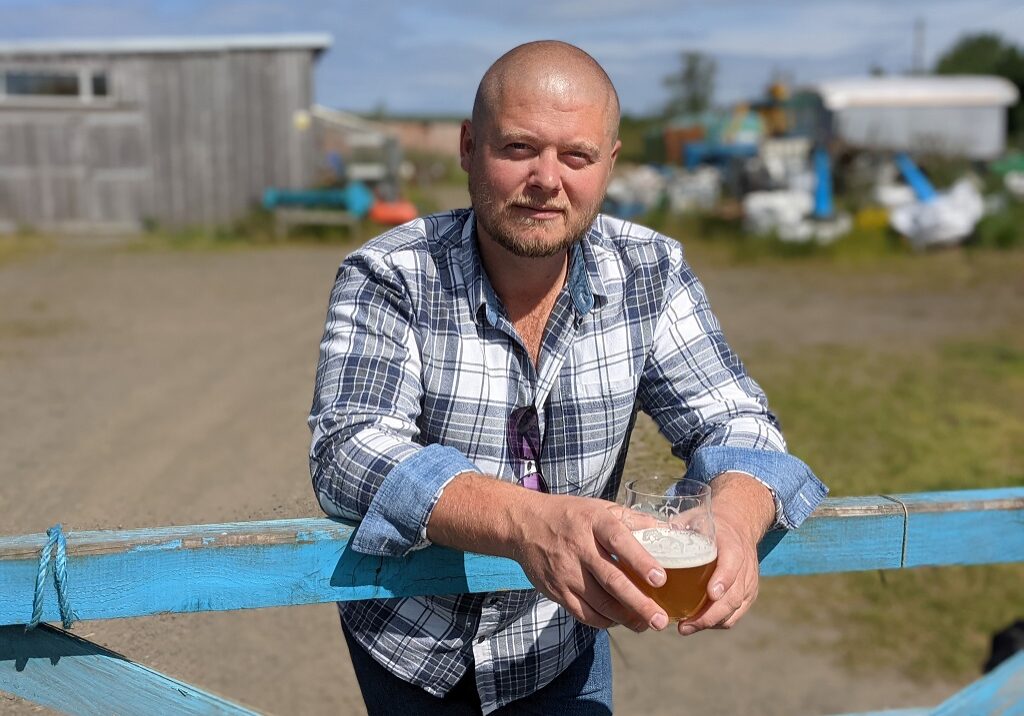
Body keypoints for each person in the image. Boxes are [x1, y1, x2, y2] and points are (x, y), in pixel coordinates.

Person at [308, 40, 827, 715]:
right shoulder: (390, 273)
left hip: (562, 645)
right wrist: (528, 523)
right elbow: (348, 449)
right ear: (469, 147)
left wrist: (733, 519)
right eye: (519, 149)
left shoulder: (650, 271)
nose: (547, 179)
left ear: (608, 165)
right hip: (414, 649)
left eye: (576, 156)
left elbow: (737, 422)